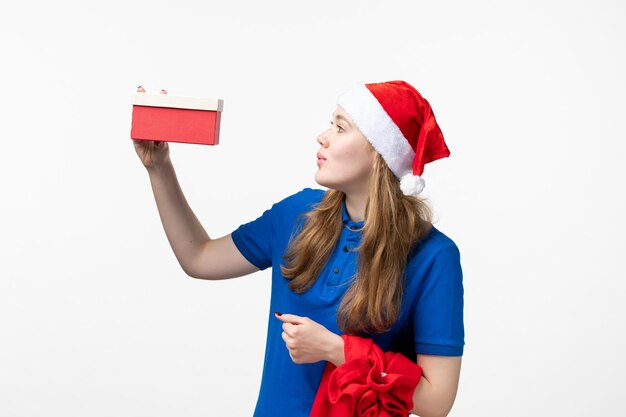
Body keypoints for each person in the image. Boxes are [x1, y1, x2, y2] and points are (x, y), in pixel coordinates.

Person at [133, 81, 464, 417]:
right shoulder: (296, 214)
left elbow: (437, 402)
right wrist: (159, 167)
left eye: (340, 127)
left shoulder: (434, 256)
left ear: (380, 153)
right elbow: (199, 257)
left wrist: (337, 350)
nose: (323, 136)